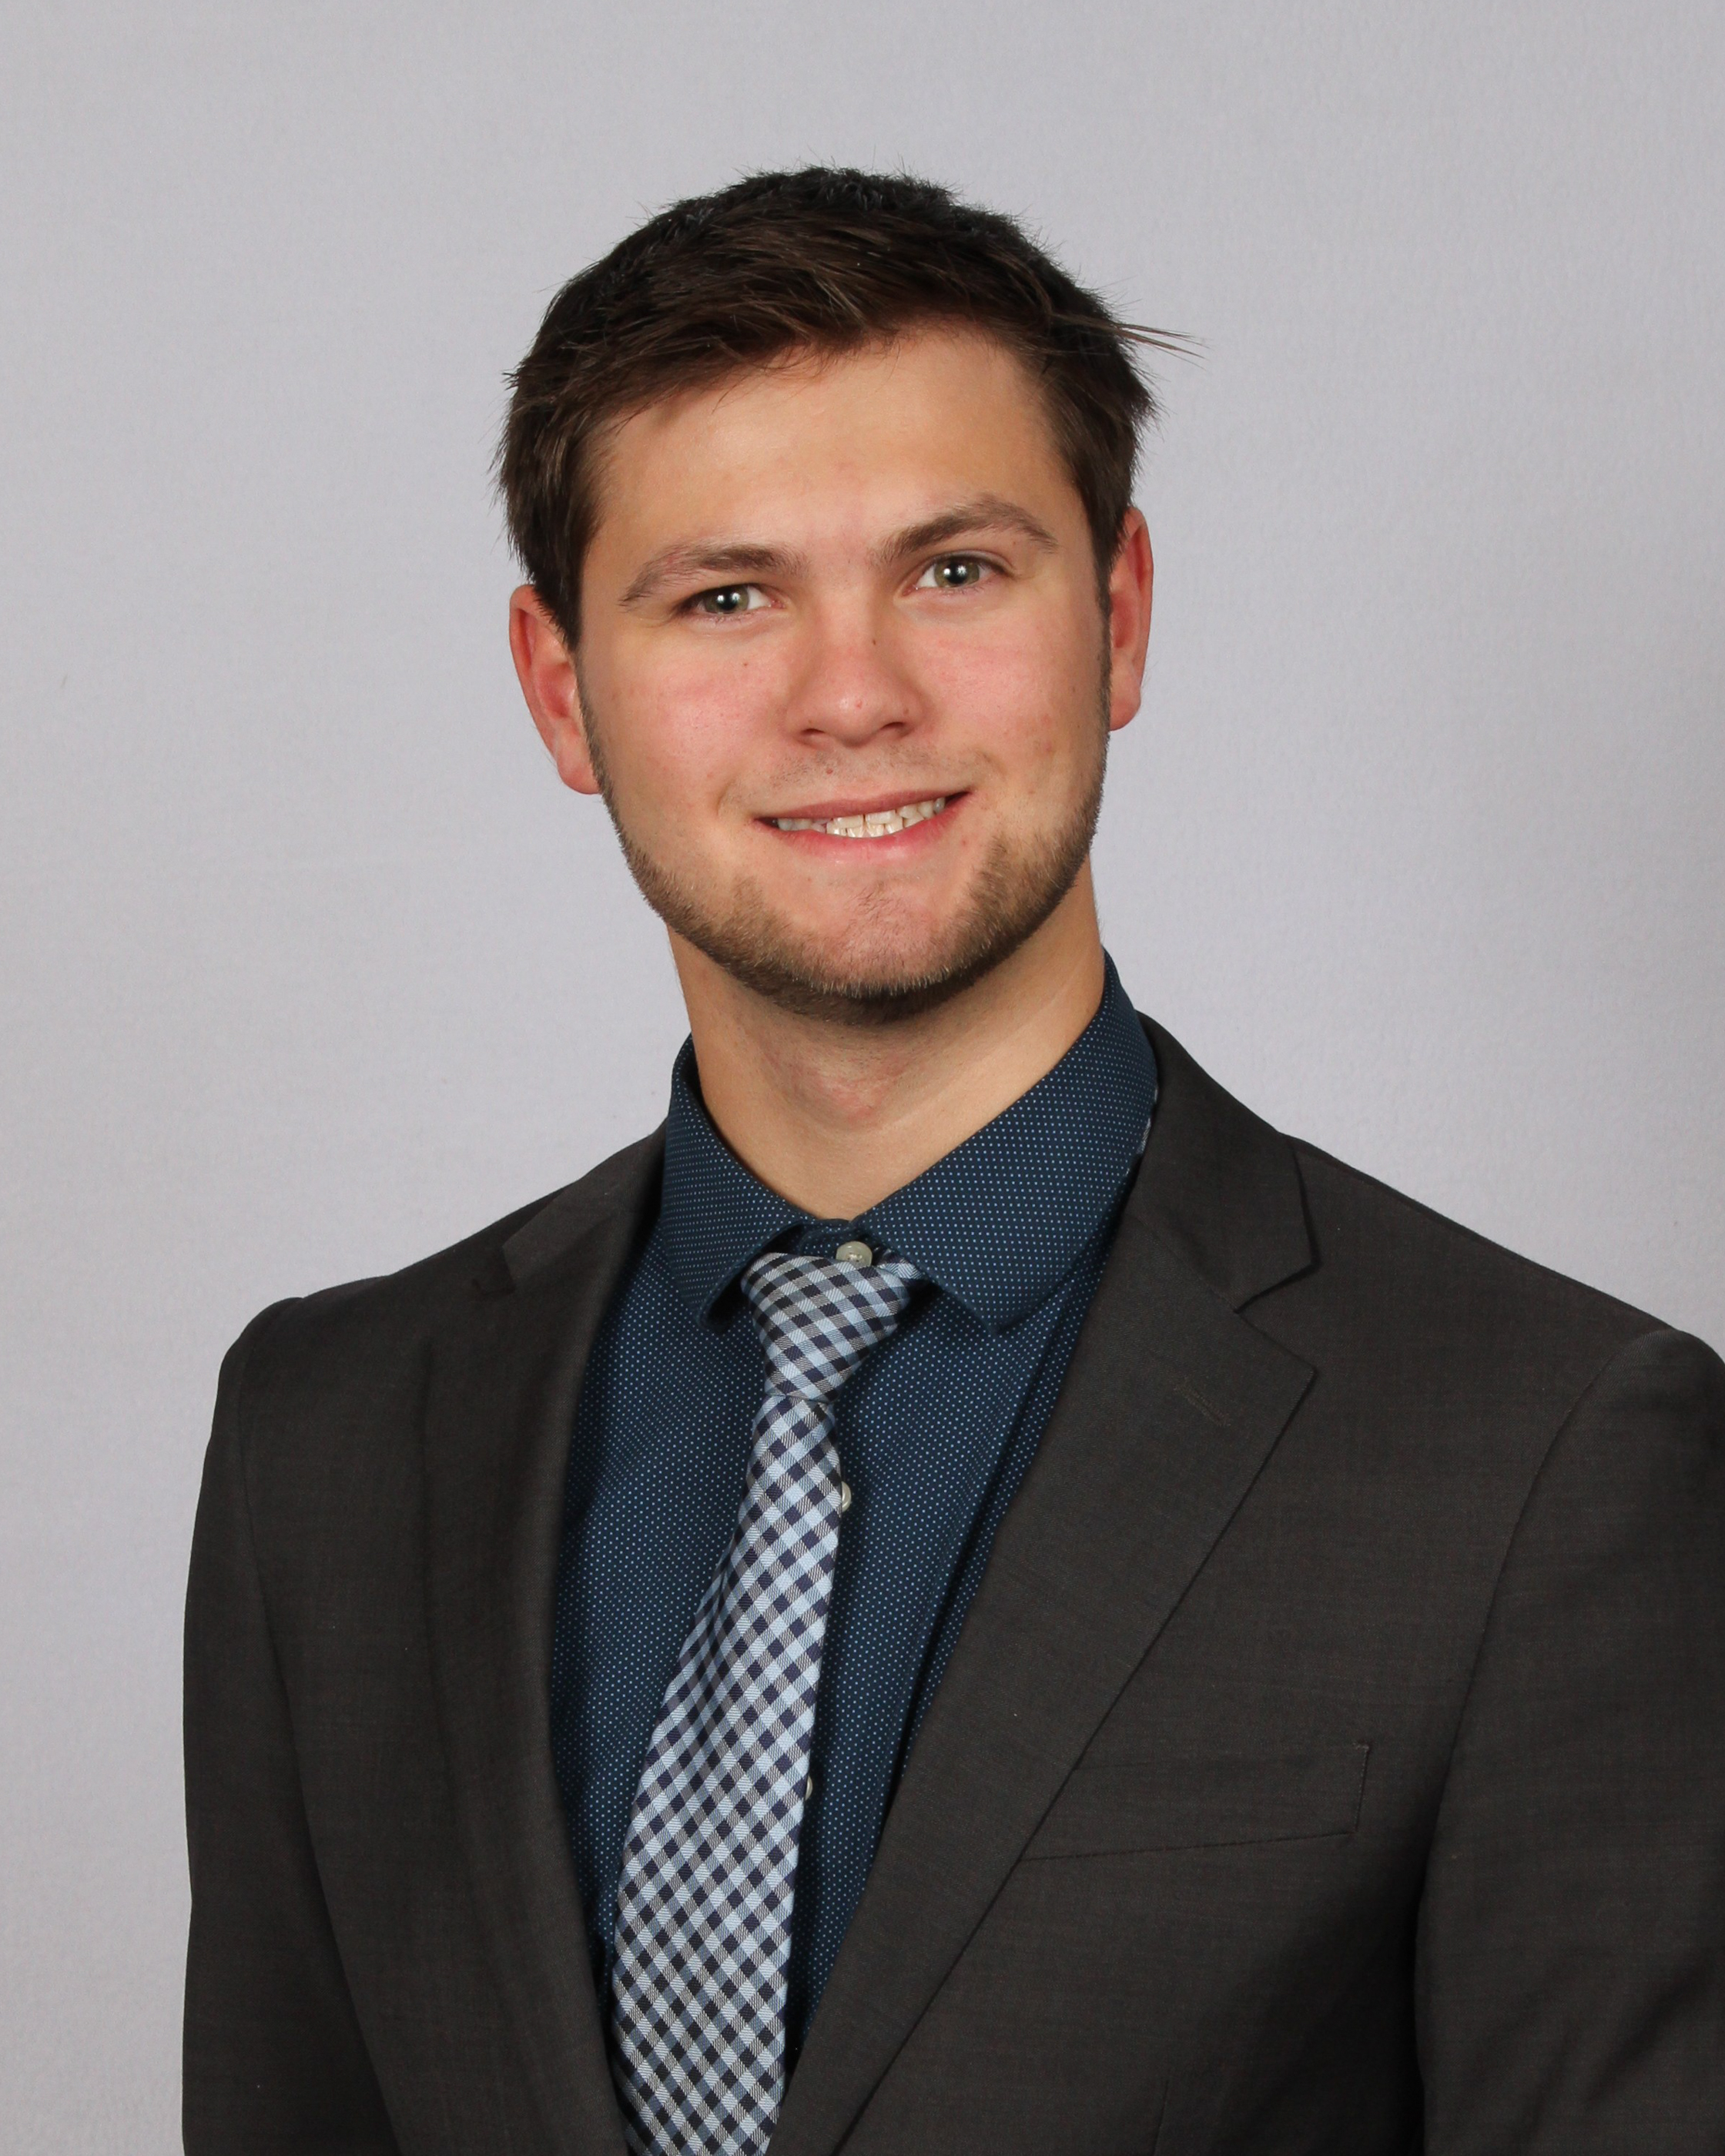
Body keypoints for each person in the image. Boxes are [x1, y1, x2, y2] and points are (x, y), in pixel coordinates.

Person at [182, 168, 1725, 2156]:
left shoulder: (1543, 1456)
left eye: (957, 571)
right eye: (725, 597)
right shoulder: (325, 1439)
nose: (854, 695)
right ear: (562, 690)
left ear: (1121, 617)